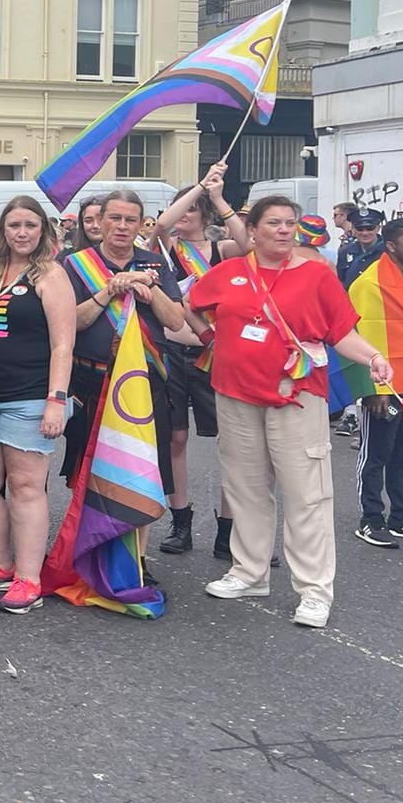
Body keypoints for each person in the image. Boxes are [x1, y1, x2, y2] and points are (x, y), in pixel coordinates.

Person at [188, 196, 394, 629]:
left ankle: (314, 590)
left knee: (307, 495)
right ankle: (249, 572)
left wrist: (373, 356)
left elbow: (343, 334)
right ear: (254, 229)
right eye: (274, 223)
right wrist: (213, 340)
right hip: (235, 394)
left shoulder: (317, 276)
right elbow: (193, 307)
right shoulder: (228, 273)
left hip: (296, 395)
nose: (284, 230)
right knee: (245, 488)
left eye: (290, 223)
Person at [0, 197, 75, 614]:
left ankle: (28, 578)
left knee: (25, 487)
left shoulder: (51, 275)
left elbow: (64, 344)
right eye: (13, 225)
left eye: (29, 225)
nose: (21, 233)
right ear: (1, 230)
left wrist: (55, 401)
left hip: (28, 397)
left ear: (43, 230)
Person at [60, 192, 187, 520]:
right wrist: (109, 291)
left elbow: (175, 320)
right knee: (87, 470)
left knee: (140, 473)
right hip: (90, 379)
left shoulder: (155, 263)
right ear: (99, 222)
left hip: (142, 381)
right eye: (114, 218)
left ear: (140, 224)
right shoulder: (74, 263)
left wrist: (147, 284)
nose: (121, 226)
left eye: (130, 220)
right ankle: (90, 555)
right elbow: (70, 322)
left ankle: (136, 564)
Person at [146, 162, 249, 556]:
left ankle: (228, 529)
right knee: (175, 439)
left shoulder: (222, 251)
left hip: (216, 354)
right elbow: (159, 225)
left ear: (205, 214)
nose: (184, 214)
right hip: (172, 351)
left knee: (231, 444)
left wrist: (219, 197)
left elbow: (250, 244)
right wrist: (197, 187)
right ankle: (181, 520)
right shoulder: (167, 250)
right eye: (181, 207)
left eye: (192, 208)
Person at [348, 218, 403, 548]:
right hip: (385, 384)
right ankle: (371, 519)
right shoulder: (368, 284)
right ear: (392, 246)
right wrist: (370, 389)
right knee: (375, 455)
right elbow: (353, 337)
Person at [339, 208, 386, 287]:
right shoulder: (345, 252)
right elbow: (341, 281)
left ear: (378, 228)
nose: (365, 233)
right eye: (360, 229)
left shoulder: (389, 250)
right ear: (353, 230)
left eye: (370, 228)